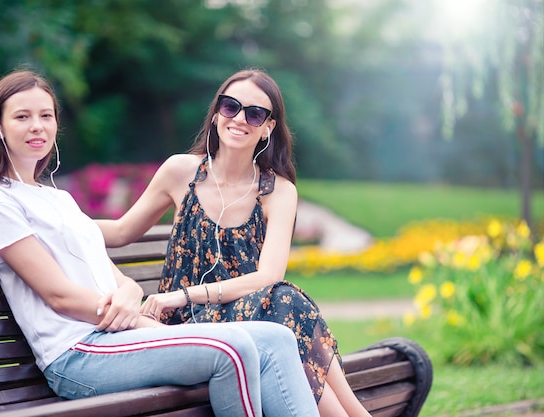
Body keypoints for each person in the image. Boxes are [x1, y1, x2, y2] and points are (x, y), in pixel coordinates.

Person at [0, 69, 320, 417]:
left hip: (116, 335)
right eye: (22, 116)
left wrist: (127, 296)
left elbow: (114, 277)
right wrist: (137, 321)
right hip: (77, 353)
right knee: (232, 350)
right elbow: (58, 296)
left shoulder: (56, 198)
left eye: (46, 115)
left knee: (275, 338)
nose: (37, 126)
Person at [96, 69, 372, 417]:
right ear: (216, 115)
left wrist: (182, 293)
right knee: (285, 307)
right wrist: (57, 219)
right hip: (187, 326)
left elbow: (268, 277)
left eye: (254, 113)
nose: (240, 118)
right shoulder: (181, 172)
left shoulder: (278, 191)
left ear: (268, 128)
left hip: (255, 322)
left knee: (282, 304)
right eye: (230, 107)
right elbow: (121, 232)